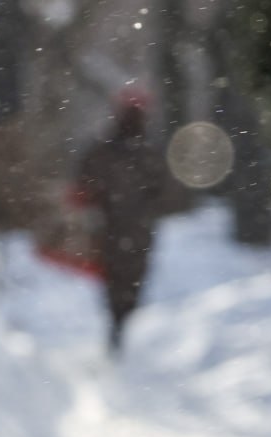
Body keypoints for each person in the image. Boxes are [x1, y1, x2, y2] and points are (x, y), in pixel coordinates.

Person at [75, 84, 181, 351]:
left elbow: (85, 181)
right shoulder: (143, 152)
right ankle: (120, 327)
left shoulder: (113, 149)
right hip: (124, 229)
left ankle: (120, 327)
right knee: (124, 281)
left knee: (121, 281)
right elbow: (165, 192)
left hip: (121, 229)